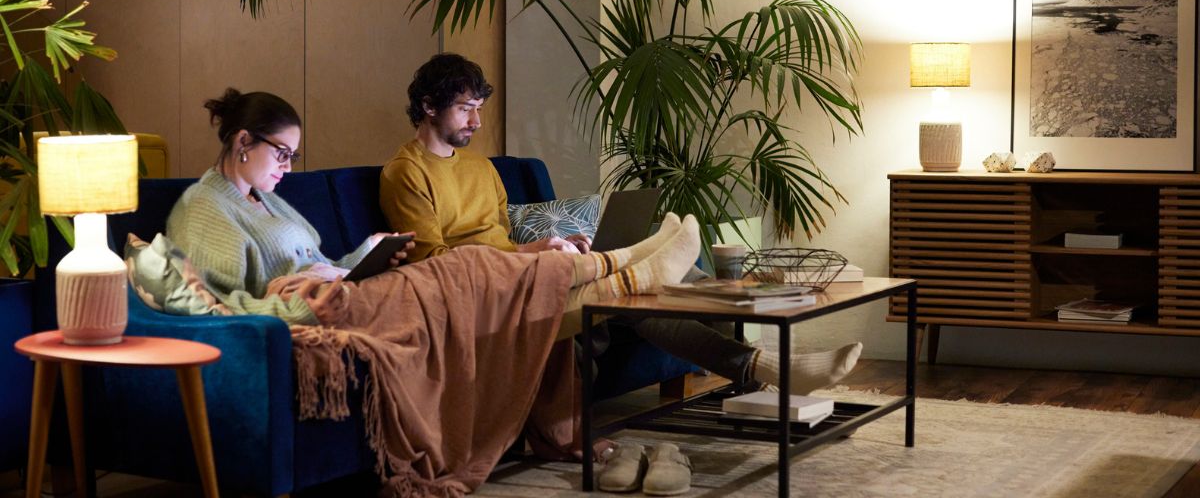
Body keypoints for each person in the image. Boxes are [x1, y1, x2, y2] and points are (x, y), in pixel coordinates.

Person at [167, 87, 702, 497]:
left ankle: (627, 268)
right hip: (316, 313)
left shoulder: (267, 200)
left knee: (486, 276)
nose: (288, 167)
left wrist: (362, 255)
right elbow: (219, 305)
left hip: (347, 292)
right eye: (282, 154)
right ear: (242, 142)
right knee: (469, 264)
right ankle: (626, 267)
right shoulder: (204, 210)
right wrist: (302, 294)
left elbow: (322, 264)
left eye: (292, 157)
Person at [380, 53, 863, 396]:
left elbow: (501, 237)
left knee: (628, 296)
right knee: (631, 283)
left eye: (479, 110)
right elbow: (432, 263)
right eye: (465, 109)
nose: (476, 123)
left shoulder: (482, 168)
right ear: (428, 106)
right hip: (474, 286)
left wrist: (557, 244)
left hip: (520, 272)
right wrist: (529, 255)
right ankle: (670, 268)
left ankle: (758, 358)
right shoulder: (406, 172)